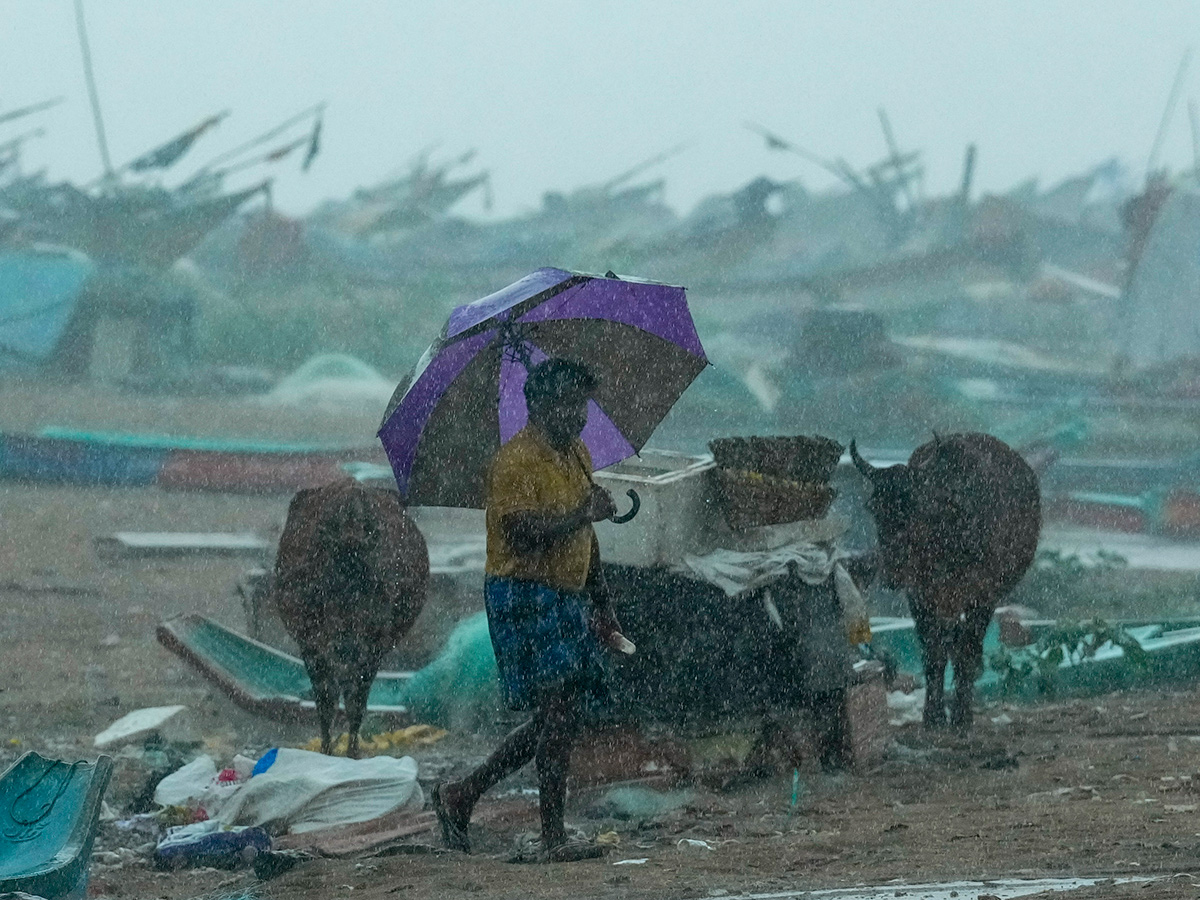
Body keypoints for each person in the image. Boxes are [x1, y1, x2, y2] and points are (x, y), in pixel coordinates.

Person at [432, 358, 628, 863]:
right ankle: (552, 836)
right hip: (522, 592)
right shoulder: (514, 462)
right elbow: (520, 533)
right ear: (537, 405)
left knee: (557, 715)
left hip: (567, 594)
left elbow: (587, 538)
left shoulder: (576, 455)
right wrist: (580, 513)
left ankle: (462, 795)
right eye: (564, 404)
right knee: (558, 713)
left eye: (580, 406)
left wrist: (603, 604)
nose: (575, 416)